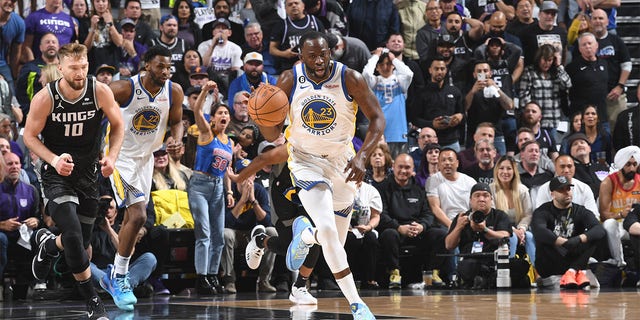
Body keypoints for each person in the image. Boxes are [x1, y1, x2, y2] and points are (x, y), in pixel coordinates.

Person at [257, 31, 384, 319]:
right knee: (328, 229)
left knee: (334, 242)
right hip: (305, 161)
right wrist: (261, 116)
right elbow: (273, 133)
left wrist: (363, 155)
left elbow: (377, 118)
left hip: (342, 162)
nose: (319, 60)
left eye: (323, 53)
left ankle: (307, 235)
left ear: (331, 52)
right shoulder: (290, 79)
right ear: (301, 56)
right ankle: (357, 305)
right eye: (312, 55)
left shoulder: (349, 77)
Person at [24, 42, 124, 319]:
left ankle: (48, 245)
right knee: (73, 235)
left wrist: (112, 157)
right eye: (73, 68)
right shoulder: (46, 97)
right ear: (60, 68)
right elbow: (29, 137)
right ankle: (93, 302)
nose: (79, 73)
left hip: (89, 173)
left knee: (83, 246)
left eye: (83, 67)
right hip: (57, 174)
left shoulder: (100, 91)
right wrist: (54, 159)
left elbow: (118, 125)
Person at [106, 45, 183, 310]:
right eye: (160, 65)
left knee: (132, 216)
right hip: (120, 158)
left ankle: (116, 274)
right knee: (138, 215)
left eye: (168, 66)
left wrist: (177, 140)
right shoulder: (125, 88)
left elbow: (177, 122)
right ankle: (119, 275)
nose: (165, 71)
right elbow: (96, 100)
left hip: (146, 158)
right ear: (146, 65)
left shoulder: (173, 91)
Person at [188, 81, 234, 296]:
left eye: (226, 113)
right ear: (213, 118)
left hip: (218, 188)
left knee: (218, 237)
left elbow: (227, 170)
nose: (223, 115)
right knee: (204, 233)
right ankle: (201, 277)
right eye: (220, 113)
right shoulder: (206, 133)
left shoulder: (229, 143)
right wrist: (206, 91)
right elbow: (196, 110)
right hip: (199, 185)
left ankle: (214, 275)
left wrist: (230, 191)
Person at [378, 153, 448, 289]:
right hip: (396, 230)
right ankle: (395, 273)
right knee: (388, 234)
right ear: (393, 167)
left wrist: (422, 226)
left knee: (440, 234)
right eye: (400, 167)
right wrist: (399, 227)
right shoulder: (383, 188)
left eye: (407, 167)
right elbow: (382, 214)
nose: (403, 171)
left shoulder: (419, 189)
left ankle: (433, 273)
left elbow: (428, 214)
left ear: (413, 170)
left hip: (416, 231)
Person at [531, 176, 606, 289]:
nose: (566, 193)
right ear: (552, 194)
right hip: (550, 262)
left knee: (594, 237)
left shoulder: (580, 210)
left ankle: (572, 271)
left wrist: (578, 239)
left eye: (568, 189)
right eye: (561, 190)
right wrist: (561, 242)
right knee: (543, 238)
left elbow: (599, 229)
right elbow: (538, 230)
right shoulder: (543, 211)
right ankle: (575, 272)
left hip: (572, 259)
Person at [222, 158, 278, 293]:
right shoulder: (229, 192)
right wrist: (242, 201)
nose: (246, 177)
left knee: (272, 232)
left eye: (250, 173)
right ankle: (229, 280)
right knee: (225, 234)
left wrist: (253, 201)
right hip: (235, 233)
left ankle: (264, 280)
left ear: (254, 175)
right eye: (242, 173)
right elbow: (226, 222)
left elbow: (267, 221)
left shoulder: (259, 190)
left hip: (254, 234)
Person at [444, 183, 512, 289]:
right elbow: (449, 245)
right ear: (470, 200)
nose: (481, 199)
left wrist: (485, 230)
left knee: (520, 265)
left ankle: (484, 281)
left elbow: (504, 235)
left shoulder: (499, 215)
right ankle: (487, 281)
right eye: (477, 195)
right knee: (467, 266)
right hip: (471, 260)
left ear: (491, 199)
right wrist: (459, 227)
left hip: (495, 260)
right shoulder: (462, 217)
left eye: (485, 195)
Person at [89, 196, 157, 298]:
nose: (107, 211)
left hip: (123, 274)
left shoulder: (123, 228)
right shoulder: (90, 230)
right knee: (85, 265)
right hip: (101, 274)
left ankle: (118, 289)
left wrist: (109, 230)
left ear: (116, 212)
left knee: (150, 258)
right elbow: (86, 258)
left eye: (110, 208)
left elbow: (130, 252)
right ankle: (121, 290)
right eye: (103, 208)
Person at [362, 47, 413, 157]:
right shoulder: (374, 82)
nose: (386, 67)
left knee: (398, 167)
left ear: (393, 66)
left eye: (389, 64)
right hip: (379, 134)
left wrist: (394, 59)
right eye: (382, 65)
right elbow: (366, 74)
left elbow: (409, 74)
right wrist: (376, 55)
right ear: (377, 67)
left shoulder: (400, 81)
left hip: (398, 133)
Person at [0, 152, 41, 286]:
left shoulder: (31, 190)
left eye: (17, 163)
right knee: (1, 239)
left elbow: (37, 216)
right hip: (3, 234)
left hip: (23, 235)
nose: (14, 167)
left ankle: (28, 287)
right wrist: (2, 225)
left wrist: (35, 220)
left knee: (37, 237)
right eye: (9, 163)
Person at [599, 146, 640, 268]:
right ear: (621, 164)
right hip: (618, 225)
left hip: (635, 224)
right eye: (628, 164)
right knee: (610, 224)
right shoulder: (608, 182)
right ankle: (620, 263)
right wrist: (621, 214)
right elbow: (603, 215)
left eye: (634, 164)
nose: (632, 168)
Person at [490, 156, 535, 265]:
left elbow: (528, 214)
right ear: (496, 170)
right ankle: (508, 267)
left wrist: (522, 229)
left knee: (530, 236)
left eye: (509, 168)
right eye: (501, 168)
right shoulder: (490, 189)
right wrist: (514, 231)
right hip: (498, 229)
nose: (505, 172)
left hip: (520, 228)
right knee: (512, 237)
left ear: (514, 171)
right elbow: (494, 216)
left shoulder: (522, 190)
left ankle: (537, 272)